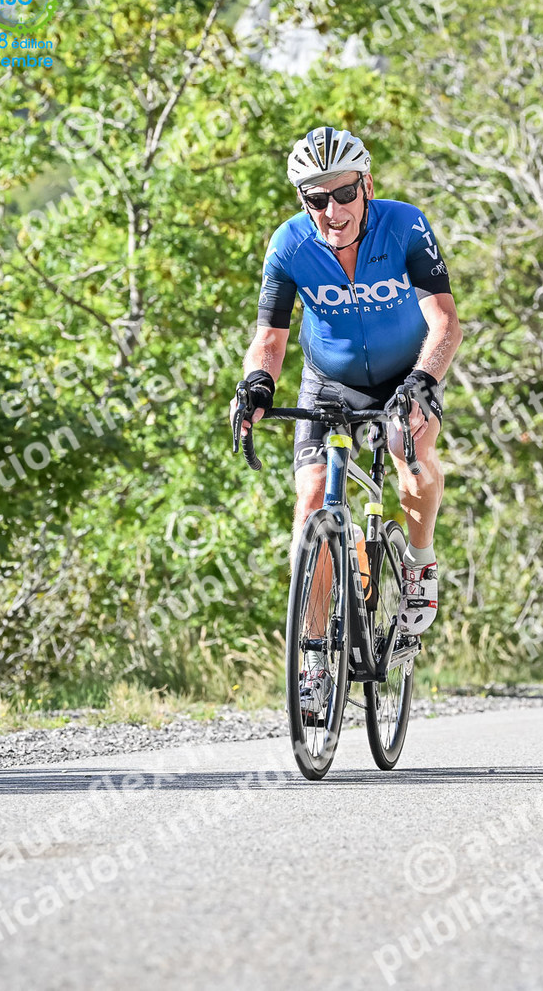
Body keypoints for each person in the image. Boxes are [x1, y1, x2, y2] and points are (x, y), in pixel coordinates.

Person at [231, 127, 463, 713]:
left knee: (413, 455)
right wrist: (257, 382)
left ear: (367, 186)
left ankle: (418, 563)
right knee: (311, 498)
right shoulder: (289, 245)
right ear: (302, 200)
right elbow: (269, 339)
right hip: (328, 381)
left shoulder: (405, 225)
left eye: (343, 194)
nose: (332, 211)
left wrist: (424, 380)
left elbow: (445, 322)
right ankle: (313, 658)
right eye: (316, 199)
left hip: (404, 374)